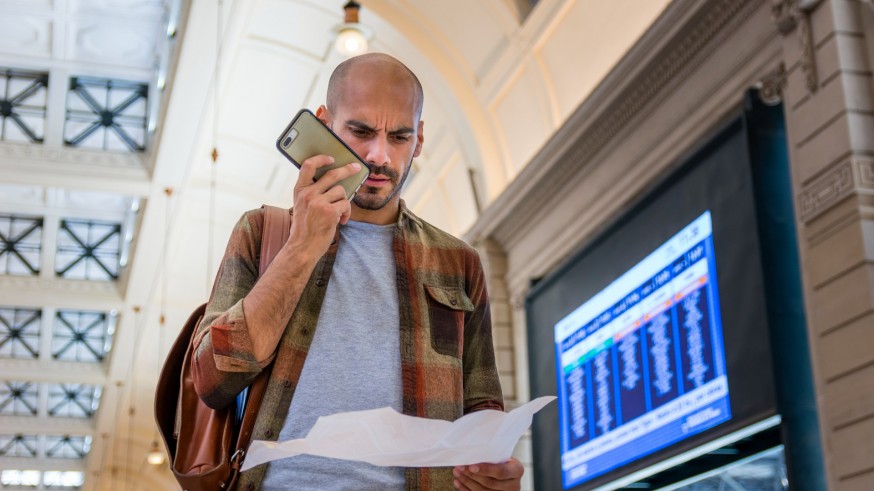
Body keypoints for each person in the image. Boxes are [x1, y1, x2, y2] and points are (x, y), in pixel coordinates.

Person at [192, 53, 523, 491]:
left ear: (420, 139)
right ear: (326, 123)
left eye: (400, 136)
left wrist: (494, 468)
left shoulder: (458, 262)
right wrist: (301, 248)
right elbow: (212, 380)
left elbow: (482, 407)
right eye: (361, 131)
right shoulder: (263, 233)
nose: (378, 155)